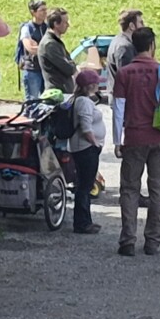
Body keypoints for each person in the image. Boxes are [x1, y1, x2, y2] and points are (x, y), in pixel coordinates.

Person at [110, 27, 160, 256]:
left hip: (134, 138)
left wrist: (117, 140)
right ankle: (153, 241)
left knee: (129, 189)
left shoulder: (125, 73)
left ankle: (128, 240)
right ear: (152, 45)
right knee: (156, 190)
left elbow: (118, 109)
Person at [67, 69, 106, 235]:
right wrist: (95, 144)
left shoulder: (80, 99)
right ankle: (82, 223)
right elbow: (86, 127)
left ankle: (85, 221)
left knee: (85, 184)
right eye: (96, 83)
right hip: (85, 148)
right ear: (90, 86)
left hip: (84, 147)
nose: (98, 85)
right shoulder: (83, 102)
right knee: (85, 186)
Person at [106, 9, 144, 165]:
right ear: (132, 26)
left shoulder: (118, 41)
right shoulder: (124, 47)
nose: (143, 25)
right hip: (124, 99)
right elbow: (127, 78)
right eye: (141, 22)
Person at [37, 7, 77, 95]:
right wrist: (74, 65)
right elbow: (68, 69)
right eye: (65, 22)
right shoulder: (49, 44)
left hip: (62, 91)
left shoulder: (55, 42)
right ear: (56, 24)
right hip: (57, 93)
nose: (68, 25)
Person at [17, 0, 49, 100]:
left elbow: (55, 47)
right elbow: (30, 49)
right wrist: (46, 49)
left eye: (46, 10)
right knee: (32, 100)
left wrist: (38, 46)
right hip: (32, 69)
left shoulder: (48, 28)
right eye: (42, 10)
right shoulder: (27, 28)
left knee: (48, 100)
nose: (45, 12)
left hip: (46, 69)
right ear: (33, 12)